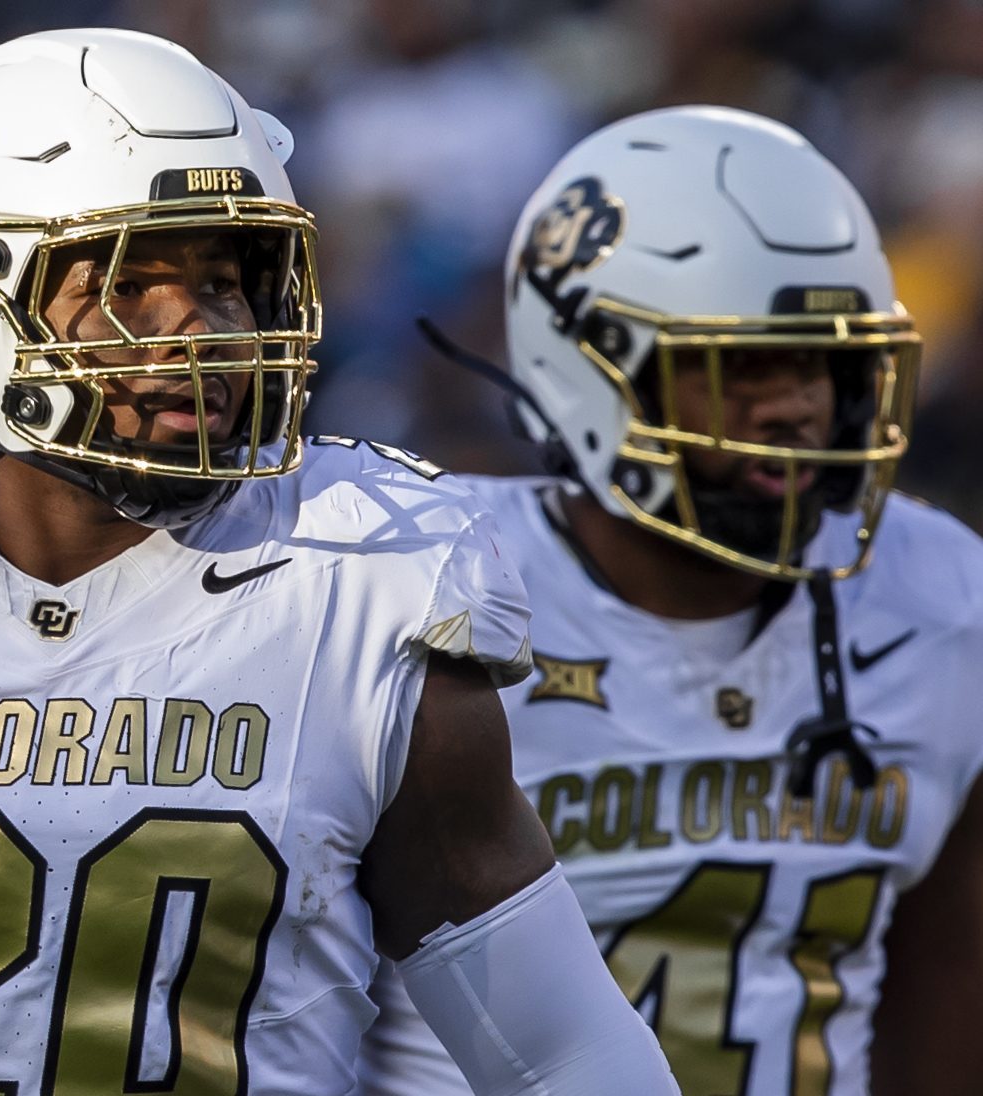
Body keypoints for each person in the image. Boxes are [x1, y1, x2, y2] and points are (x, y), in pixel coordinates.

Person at [0, 28, 678, 1096]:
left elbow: (564, 1056)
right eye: (130, 281)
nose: (199, 331)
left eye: (226, 279)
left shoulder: (355, 579)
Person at [358, 106, 983, 1096]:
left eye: (827, 359)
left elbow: (948, 974)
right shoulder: (422, 584)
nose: (799, 405)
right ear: (591, 368)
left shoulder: (941, 592)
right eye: (743, 364)